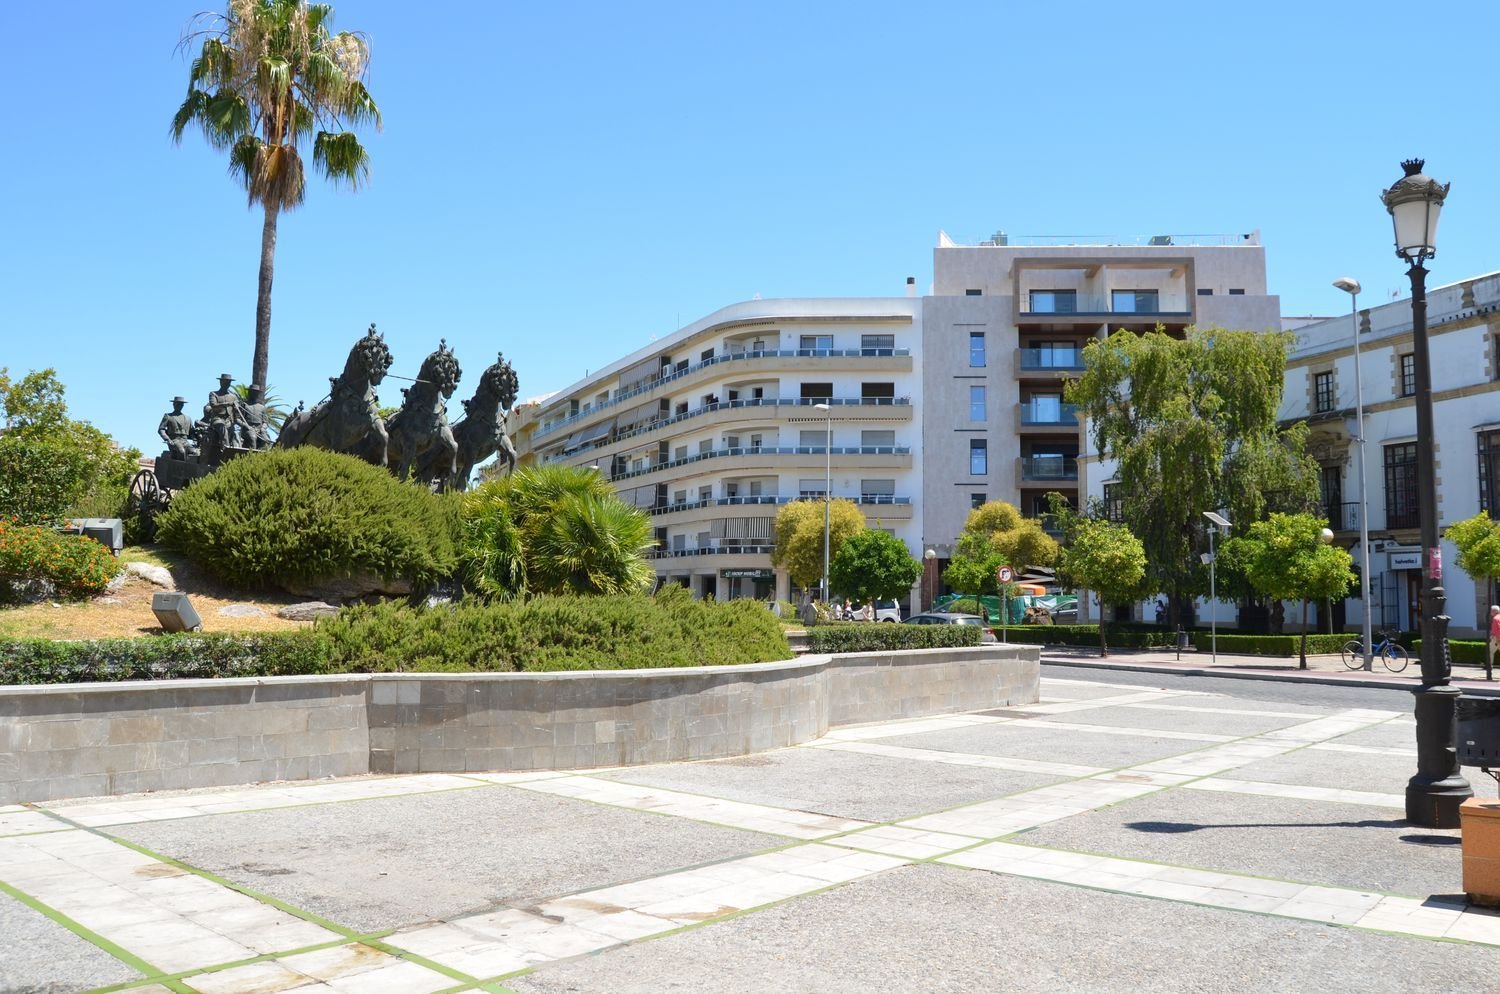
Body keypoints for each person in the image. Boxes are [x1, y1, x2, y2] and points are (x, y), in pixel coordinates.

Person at [1488, 605, 1499, 682]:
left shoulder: (1495, 619)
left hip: (1496, 639)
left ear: (1494, 611)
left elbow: (1498, 630)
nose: (1490, 612)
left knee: (1490, 653)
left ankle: (1489, 670)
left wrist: (1497, 640)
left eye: (1491, 611)